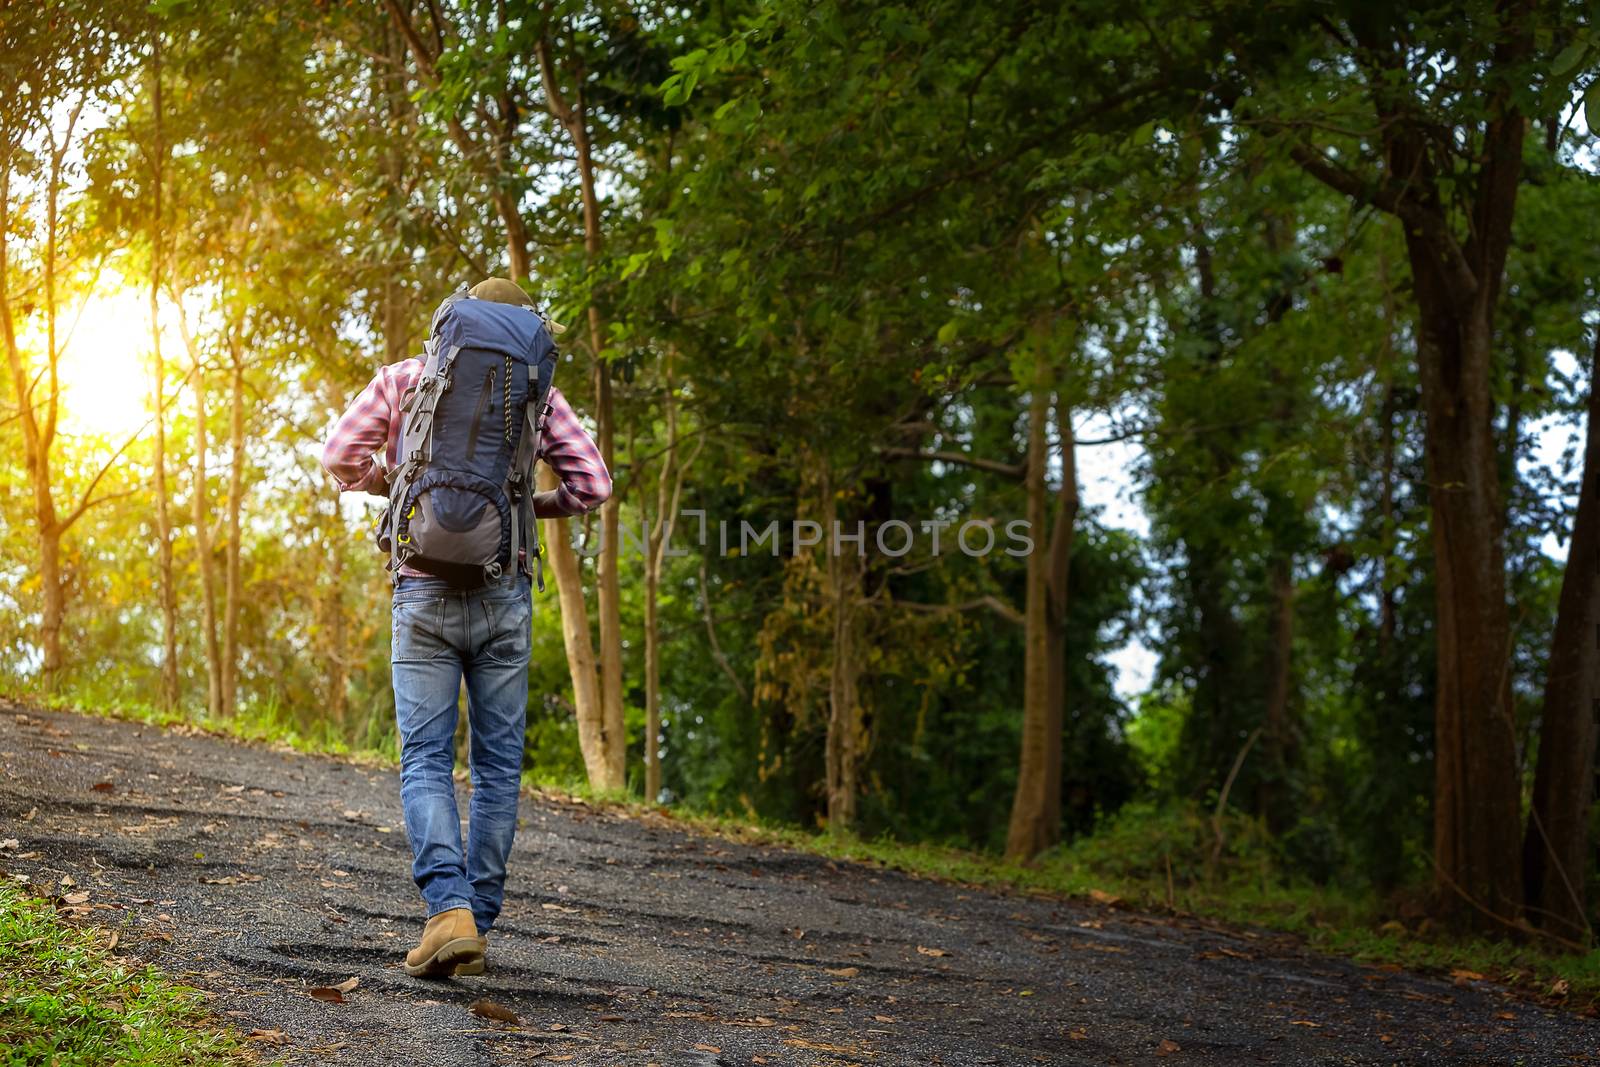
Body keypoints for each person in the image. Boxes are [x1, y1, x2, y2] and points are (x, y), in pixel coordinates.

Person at [320, 277, 610, 977]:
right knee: (498, 766)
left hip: (421, 591)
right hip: (503, 591)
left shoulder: (407, 378)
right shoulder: (535, 391)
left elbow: (339, 456)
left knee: (425, 757)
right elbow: (592, 484)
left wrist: (397, 483)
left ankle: (447, 909)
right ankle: (475, 913)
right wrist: (525, 507)